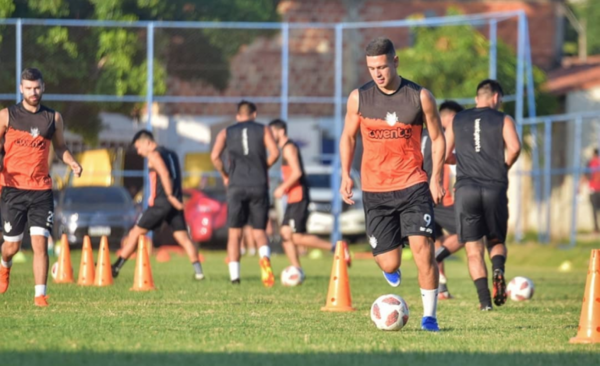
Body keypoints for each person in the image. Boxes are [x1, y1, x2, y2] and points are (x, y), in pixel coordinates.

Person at [339, 38, 445, 332]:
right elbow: (348, 137)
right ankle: (391, 265)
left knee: (423, 248)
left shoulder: (420, 97)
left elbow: (437, 138)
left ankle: (430, 317)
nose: (378, 73)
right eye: (372, 68)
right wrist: (345, 174)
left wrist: (435, 177)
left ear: (395, 62)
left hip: (413, 183)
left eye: (383, 66)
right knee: (388, 264)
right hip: (375, 189)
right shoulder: (358, 98)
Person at [0, 68, 82, 306]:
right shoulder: (7, 115)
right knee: (12, 246)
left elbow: (61, 147)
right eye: (28, 88)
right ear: (21, 89)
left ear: (43, 87)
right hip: (13, 188)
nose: (33, 92)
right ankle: (5, 266)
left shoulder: (53, 118)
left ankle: (40, 295)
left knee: (40, 243)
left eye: (37, 88)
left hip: (41, 190)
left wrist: (72, 162)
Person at [444, 79, 521, 310]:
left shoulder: (458, 119)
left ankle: (485, 302)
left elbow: (446, 154)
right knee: (496, 240)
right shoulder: (503, 119)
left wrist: (467, 161)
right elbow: (515, 148)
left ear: (478, 97)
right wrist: (504, 166)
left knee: (473, 249)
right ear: (496, 98)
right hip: (494, 186)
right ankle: (498, 269)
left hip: (466, 189)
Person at [111, 130, 205, 281]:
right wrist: (175, 198)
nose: (139, 152)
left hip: (161, 203)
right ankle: (199, 273)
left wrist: (169, 196)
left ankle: (115, 267)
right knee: (183, 238)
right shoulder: (172, 154)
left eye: (139, 147)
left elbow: (165, 174)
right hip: (175, 202)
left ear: (148, 142)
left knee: (135, 233)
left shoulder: (154, 155)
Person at [269, 119, 351, 280]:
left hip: (298, 196)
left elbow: (297, 173)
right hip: (293, 197)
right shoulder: (285, 149)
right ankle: (297, 269)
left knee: (296, 237)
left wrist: (282, 187)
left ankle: (337, 247)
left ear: (280, 131)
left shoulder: (288, 148)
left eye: (272, 133)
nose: (270, 137)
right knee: (286, 234)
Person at [211, 100, 280, 286]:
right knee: (259, 230)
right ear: (254, 114)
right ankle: (264, 260)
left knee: (235, 233)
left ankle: (235, 277)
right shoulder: (264, 130)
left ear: (237, 116)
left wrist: (225, 174)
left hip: (236, 185)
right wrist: (262, 167)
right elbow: (275, 153)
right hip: (258, 184)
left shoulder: (226, 132)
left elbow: (214, 156)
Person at [421, 101, 464, 300]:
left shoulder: (421, 134)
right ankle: (438, 257)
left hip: (418, 196)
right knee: (469, 231)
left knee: (435, 241)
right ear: (447, 118)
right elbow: (446, 162)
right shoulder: (442, 137)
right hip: (438, 197)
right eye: (457, 119)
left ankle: (441, 289)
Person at [586, 149, 600, 233]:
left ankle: (596, 228)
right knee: (595, 210)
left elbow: (587, 175)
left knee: (594, 210)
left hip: (594, 190)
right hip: (594, 189)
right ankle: (596, 228)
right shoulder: (593, 163)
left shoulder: (592, 163)